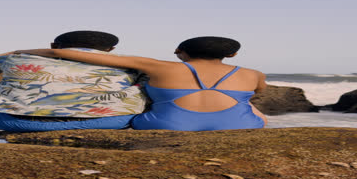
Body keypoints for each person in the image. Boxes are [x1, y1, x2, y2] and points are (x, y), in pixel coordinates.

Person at [16, 36, 267, 131]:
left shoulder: (159, 66)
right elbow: (258, 92)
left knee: (145, 93)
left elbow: (81, 56)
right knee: (248, 103)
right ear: (232, 55)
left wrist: (33, 51)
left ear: (179, 50)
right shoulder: (253, 73)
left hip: (167, 125)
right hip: (242, 125)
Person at [0, 31, 148, 140]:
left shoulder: (17, 55)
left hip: (18, 123)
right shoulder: (133, 62)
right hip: (110, 122)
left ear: (53, 46)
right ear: (111, 49)